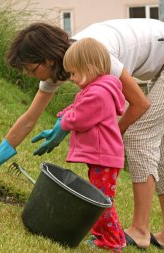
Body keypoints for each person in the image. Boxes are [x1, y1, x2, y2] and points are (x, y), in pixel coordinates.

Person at [0, 19, 164, 252]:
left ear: (48, 59)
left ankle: (140, 230)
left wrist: (114, 136)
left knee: (139, 137)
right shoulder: (69, 65)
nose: (29, 75)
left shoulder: (95, 56)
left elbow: (139, 104)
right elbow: (29, 118)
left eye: (31, 69)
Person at [59, 37, 126, 252]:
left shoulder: (98, 93)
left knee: (101, 200)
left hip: (103, 156)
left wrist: (65, 119)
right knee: (99, 198)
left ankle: (113, 242)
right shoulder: (96, 90)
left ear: (88, 68)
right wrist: (67, 111)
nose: (71, 78)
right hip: (102, 156)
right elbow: (78, 106)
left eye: (73, 73)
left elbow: (80, 118)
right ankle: (107, 236)